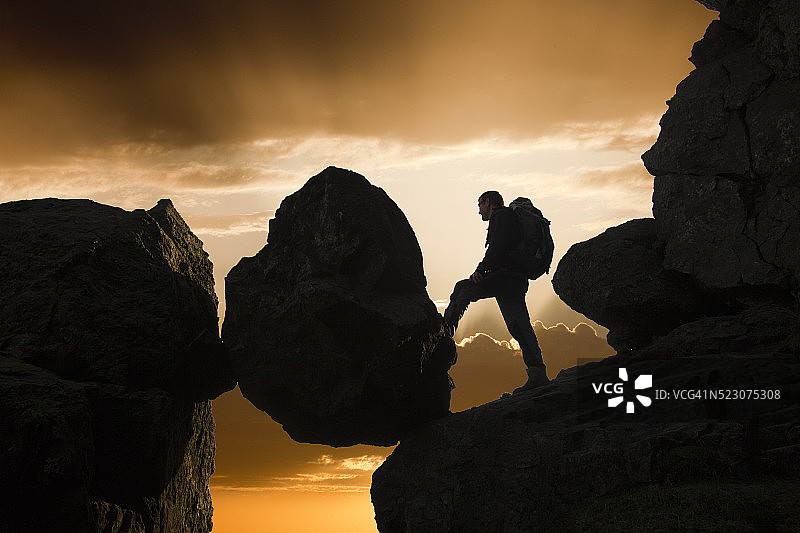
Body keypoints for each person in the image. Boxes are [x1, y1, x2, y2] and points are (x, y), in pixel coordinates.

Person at [443, 190, 548, 393]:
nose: (479, 211)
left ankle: (443, 333)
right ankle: (538, 373)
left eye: (480, 205)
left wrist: (481, 270)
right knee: (518, 325)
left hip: (505, 277)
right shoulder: (509, 218)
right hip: (515, 279)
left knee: (463, 288)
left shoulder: (501, 216)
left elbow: (497, 248)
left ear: (488, 202)